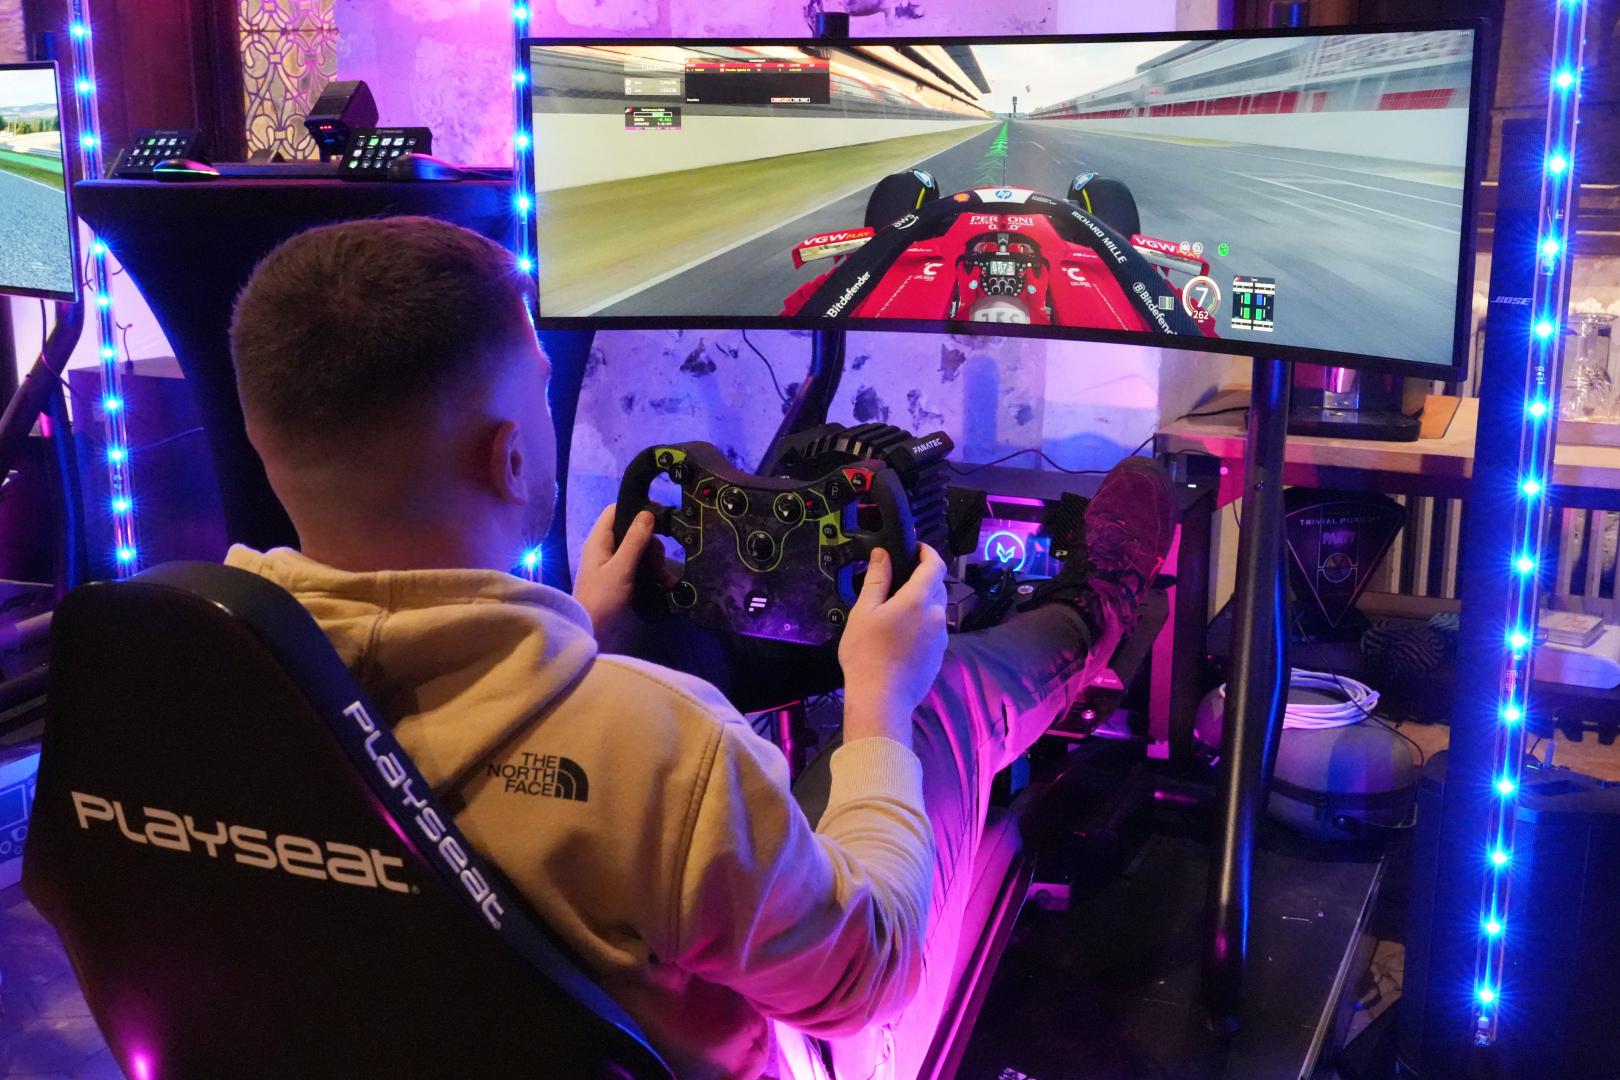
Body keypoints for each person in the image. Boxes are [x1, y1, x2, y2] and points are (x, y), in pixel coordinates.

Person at [226, 215, 1173, 1079]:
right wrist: (879, 702)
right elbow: (870, 973)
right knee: (938, 695)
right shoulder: (661, 750)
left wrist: (573, 633)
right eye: (544, 390)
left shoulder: (202, 690)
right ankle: (1094, 608)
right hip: (802, 1040)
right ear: (510, 458)